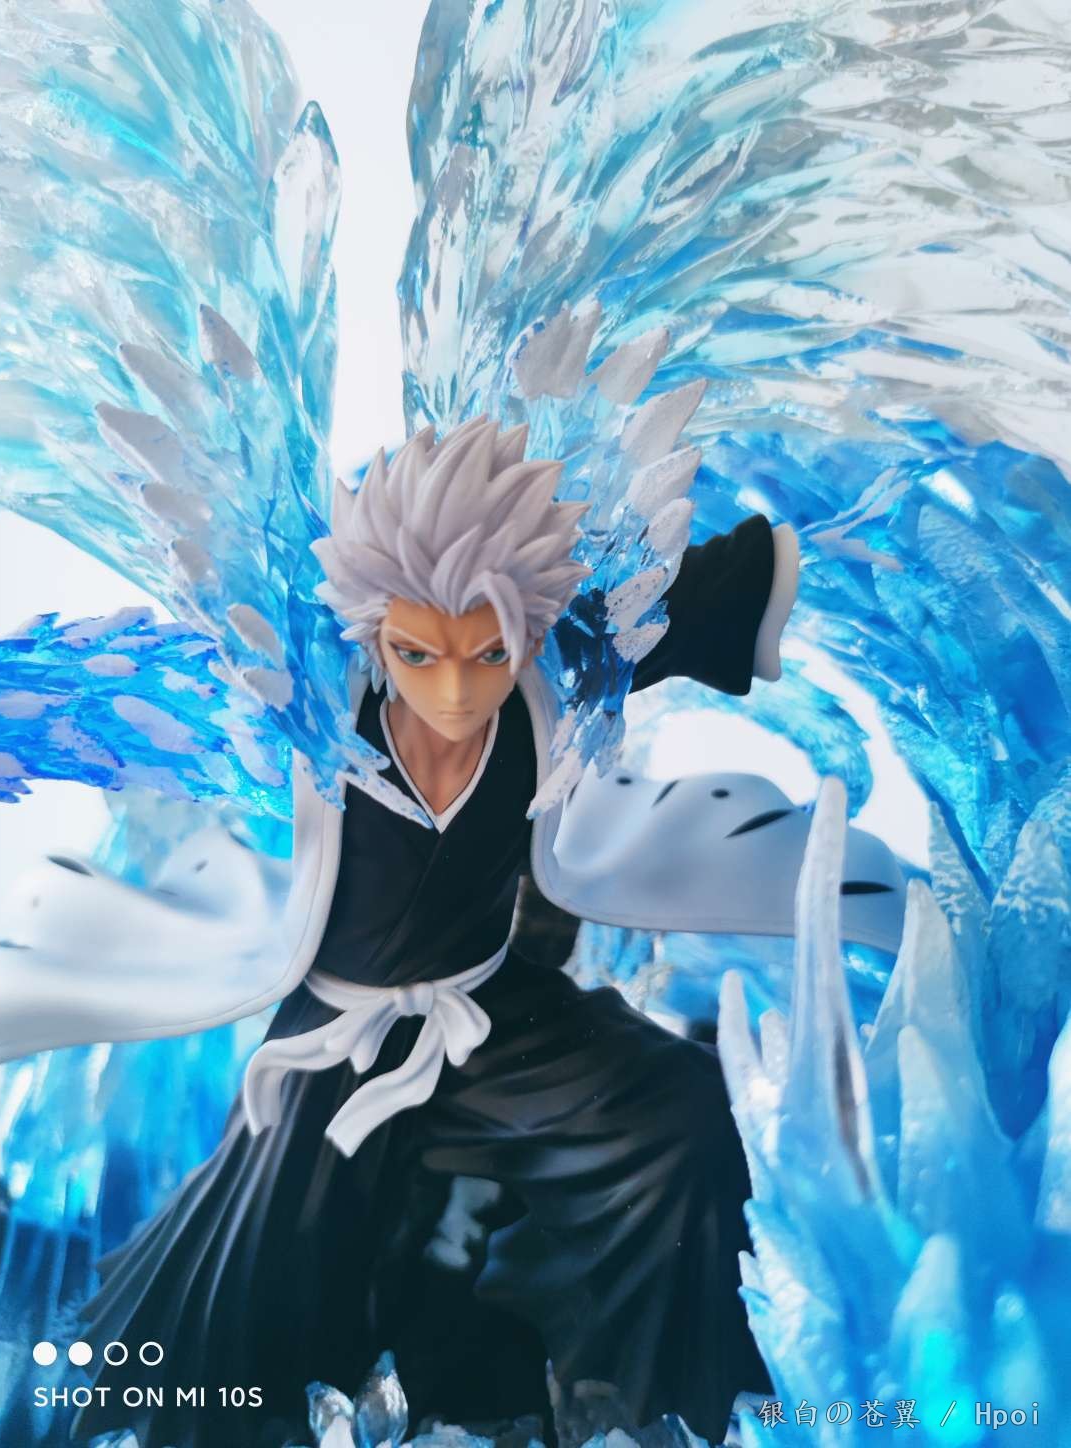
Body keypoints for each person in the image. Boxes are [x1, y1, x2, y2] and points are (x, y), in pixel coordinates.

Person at [67, 414, 798, 1448]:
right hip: (335, 1036)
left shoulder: (558, 673)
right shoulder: (317, 705)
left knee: (675, 1113)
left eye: (489, 652)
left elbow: (696, 599)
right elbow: (135, 688)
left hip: (490, 1009)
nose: (455, 690)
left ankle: (647, 1400)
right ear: (373, 632)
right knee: (242, 1274)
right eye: (418, 653)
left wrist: (799, 545)